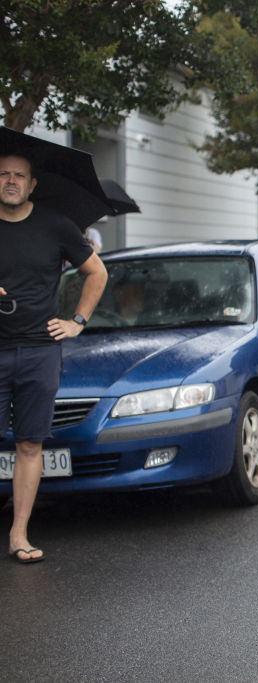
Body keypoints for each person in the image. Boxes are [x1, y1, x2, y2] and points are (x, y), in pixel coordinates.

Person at [0, 151, 108, 564]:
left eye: (19, 176)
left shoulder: (55, 225)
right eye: (4, 175)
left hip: (40, 351)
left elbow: (96, 273)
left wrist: (77, 320)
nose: (11, 181)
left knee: (30, 443)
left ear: (32, 184)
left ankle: (19, 535)